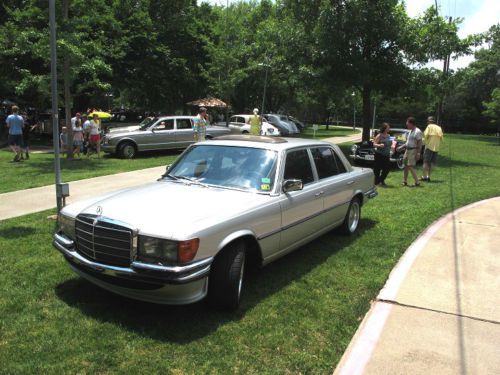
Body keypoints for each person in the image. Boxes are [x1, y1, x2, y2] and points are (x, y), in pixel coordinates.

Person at [400, 117, 423, 187]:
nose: (406, 125)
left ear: (411, 123)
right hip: (407, 150)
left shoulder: (417, 131)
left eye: (407, 124)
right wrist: (401, 147)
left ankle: (417, 182)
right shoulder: (410, 131)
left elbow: (420, 143)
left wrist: (418, 153)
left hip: (413, 150)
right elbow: (408, 142)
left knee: (410, 166)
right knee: (406, 166)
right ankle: (405, 181)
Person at [421, 116, 443, 182]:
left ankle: (424, 177)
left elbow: (425, 135)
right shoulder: (439, 128)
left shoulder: (429, 127)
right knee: (432, 163)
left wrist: (423, 142)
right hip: (436, 148)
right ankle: (429, 176)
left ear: (429, 121)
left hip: (429, 147)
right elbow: (441, 138)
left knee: (425, 162)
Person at [372, 123, 392, 187]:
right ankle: (377, 182)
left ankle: (380, 180)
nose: (389, 128)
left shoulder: (389, 135)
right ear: (384, 128)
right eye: (388, 127)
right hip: (379, 155)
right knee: (377, 169)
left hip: (386, 154)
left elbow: (390, 143)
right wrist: (379, 145)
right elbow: (374, 144)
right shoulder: (379, 135)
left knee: (387, 169)